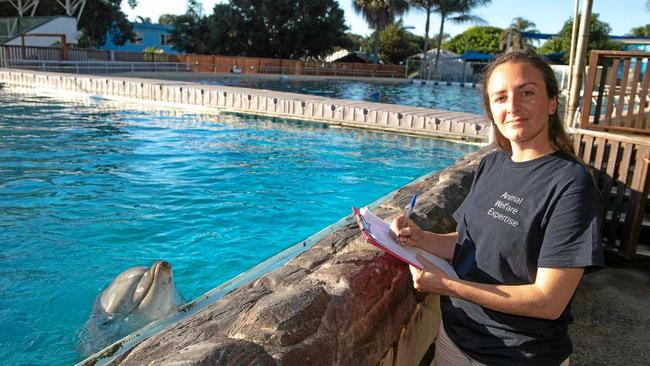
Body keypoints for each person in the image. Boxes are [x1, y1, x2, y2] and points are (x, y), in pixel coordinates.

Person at [390, 51, 604, 366]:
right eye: (500, 98)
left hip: (517, 356)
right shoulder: (492, 163)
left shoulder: (572, 184)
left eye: (527, 93)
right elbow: (470, 243)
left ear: (552, 103)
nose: (513, 107)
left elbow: (549, 301)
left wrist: (448, 286)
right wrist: (422, 239)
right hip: (454, 340)